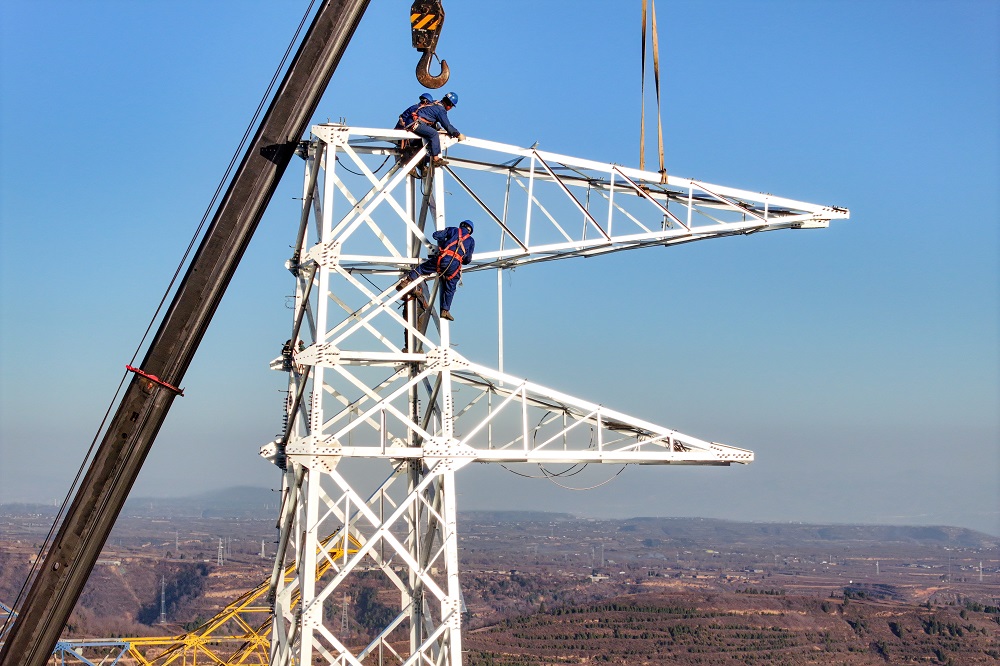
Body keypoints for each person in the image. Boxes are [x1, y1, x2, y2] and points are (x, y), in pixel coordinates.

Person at [399, 220, 475, 321]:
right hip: (454, 266)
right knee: (451, 287)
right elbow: (467, 260)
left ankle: (406, 282)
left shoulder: (453, 230)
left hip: (443, 258)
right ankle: (445, 310)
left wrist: (443, 244)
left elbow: (436, 235)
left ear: (461, 225)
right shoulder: (471, 241)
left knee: (422, 268)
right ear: (470, 231)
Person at [410, 91, 464, 166]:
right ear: (450, 105)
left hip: (414, 122)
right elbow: (447, 125)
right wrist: (457, 134)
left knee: (428, 138)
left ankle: (423, 164)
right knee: (434, 134)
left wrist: (438, 128)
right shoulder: (441, 110)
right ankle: (436, 159)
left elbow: (429, 119)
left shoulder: (435, 103)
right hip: (417, 124)